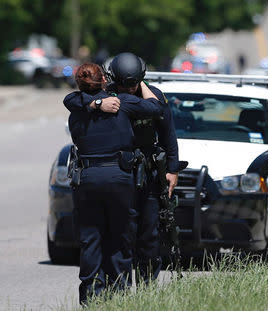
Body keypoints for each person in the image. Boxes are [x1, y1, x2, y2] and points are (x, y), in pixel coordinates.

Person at [65, 52, 185, 284]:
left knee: (149, 234)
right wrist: (97, 103)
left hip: (147, 172)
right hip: (121, 172)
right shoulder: (108, 95)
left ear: (140, 79)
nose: (128, 89)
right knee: (120, 233)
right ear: (113, 80)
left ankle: (146, 286)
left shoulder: (154, 97)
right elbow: (73, 100)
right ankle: (117, 287)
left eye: (132, 84)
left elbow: (168, 133)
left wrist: (172, 169)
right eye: (123, 84)